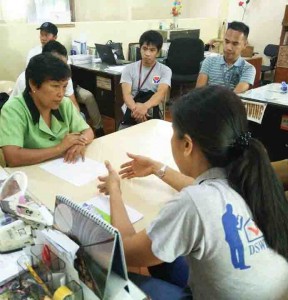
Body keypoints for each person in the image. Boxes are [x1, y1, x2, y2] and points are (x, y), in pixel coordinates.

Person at [98, 86, 288, 299]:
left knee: (107, 275)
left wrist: (115, 190)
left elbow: (125, 249)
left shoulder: (193, 203)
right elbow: (200, 192)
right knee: (164, 254)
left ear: (187, 144)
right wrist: (156, 168)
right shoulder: (248, 176)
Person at [0, 53, 94, 167]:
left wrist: (81, 142)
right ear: (33, 84)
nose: (61, 93)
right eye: (55, 86)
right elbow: (12, 157)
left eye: (64, 86)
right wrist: (59, 148)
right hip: (30, 175)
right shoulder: (13, 109)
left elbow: (88, 131)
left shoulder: (65, 104)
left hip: (63, 168)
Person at [26, 23, 104, 137]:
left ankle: (99, 127)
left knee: (87, 99)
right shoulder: (33, 62)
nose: (43, 38)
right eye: (41, 35)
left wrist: (78, 131)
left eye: (46, 35)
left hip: (65, 103)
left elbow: (71, 99)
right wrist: (61, 146)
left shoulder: (64, 99)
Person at [119, 30, 171, 129]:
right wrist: (137, 111)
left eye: (152, 50)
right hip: (131, 110)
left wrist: (145, 107)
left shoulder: (165, 70)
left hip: (152, 110)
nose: (147, 53)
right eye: (145, 48)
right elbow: (126, 95)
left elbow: (160, 94)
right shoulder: (129, 68)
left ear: (158, 52)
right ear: (140, 48)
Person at [196, 21, 256, 94]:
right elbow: (198, 93)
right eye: (226, 41)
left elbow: (235, 97)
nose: (229, 48)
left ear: (245, 44)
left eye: (235, 44)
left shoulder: (248, 69)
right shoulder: (209, 61)